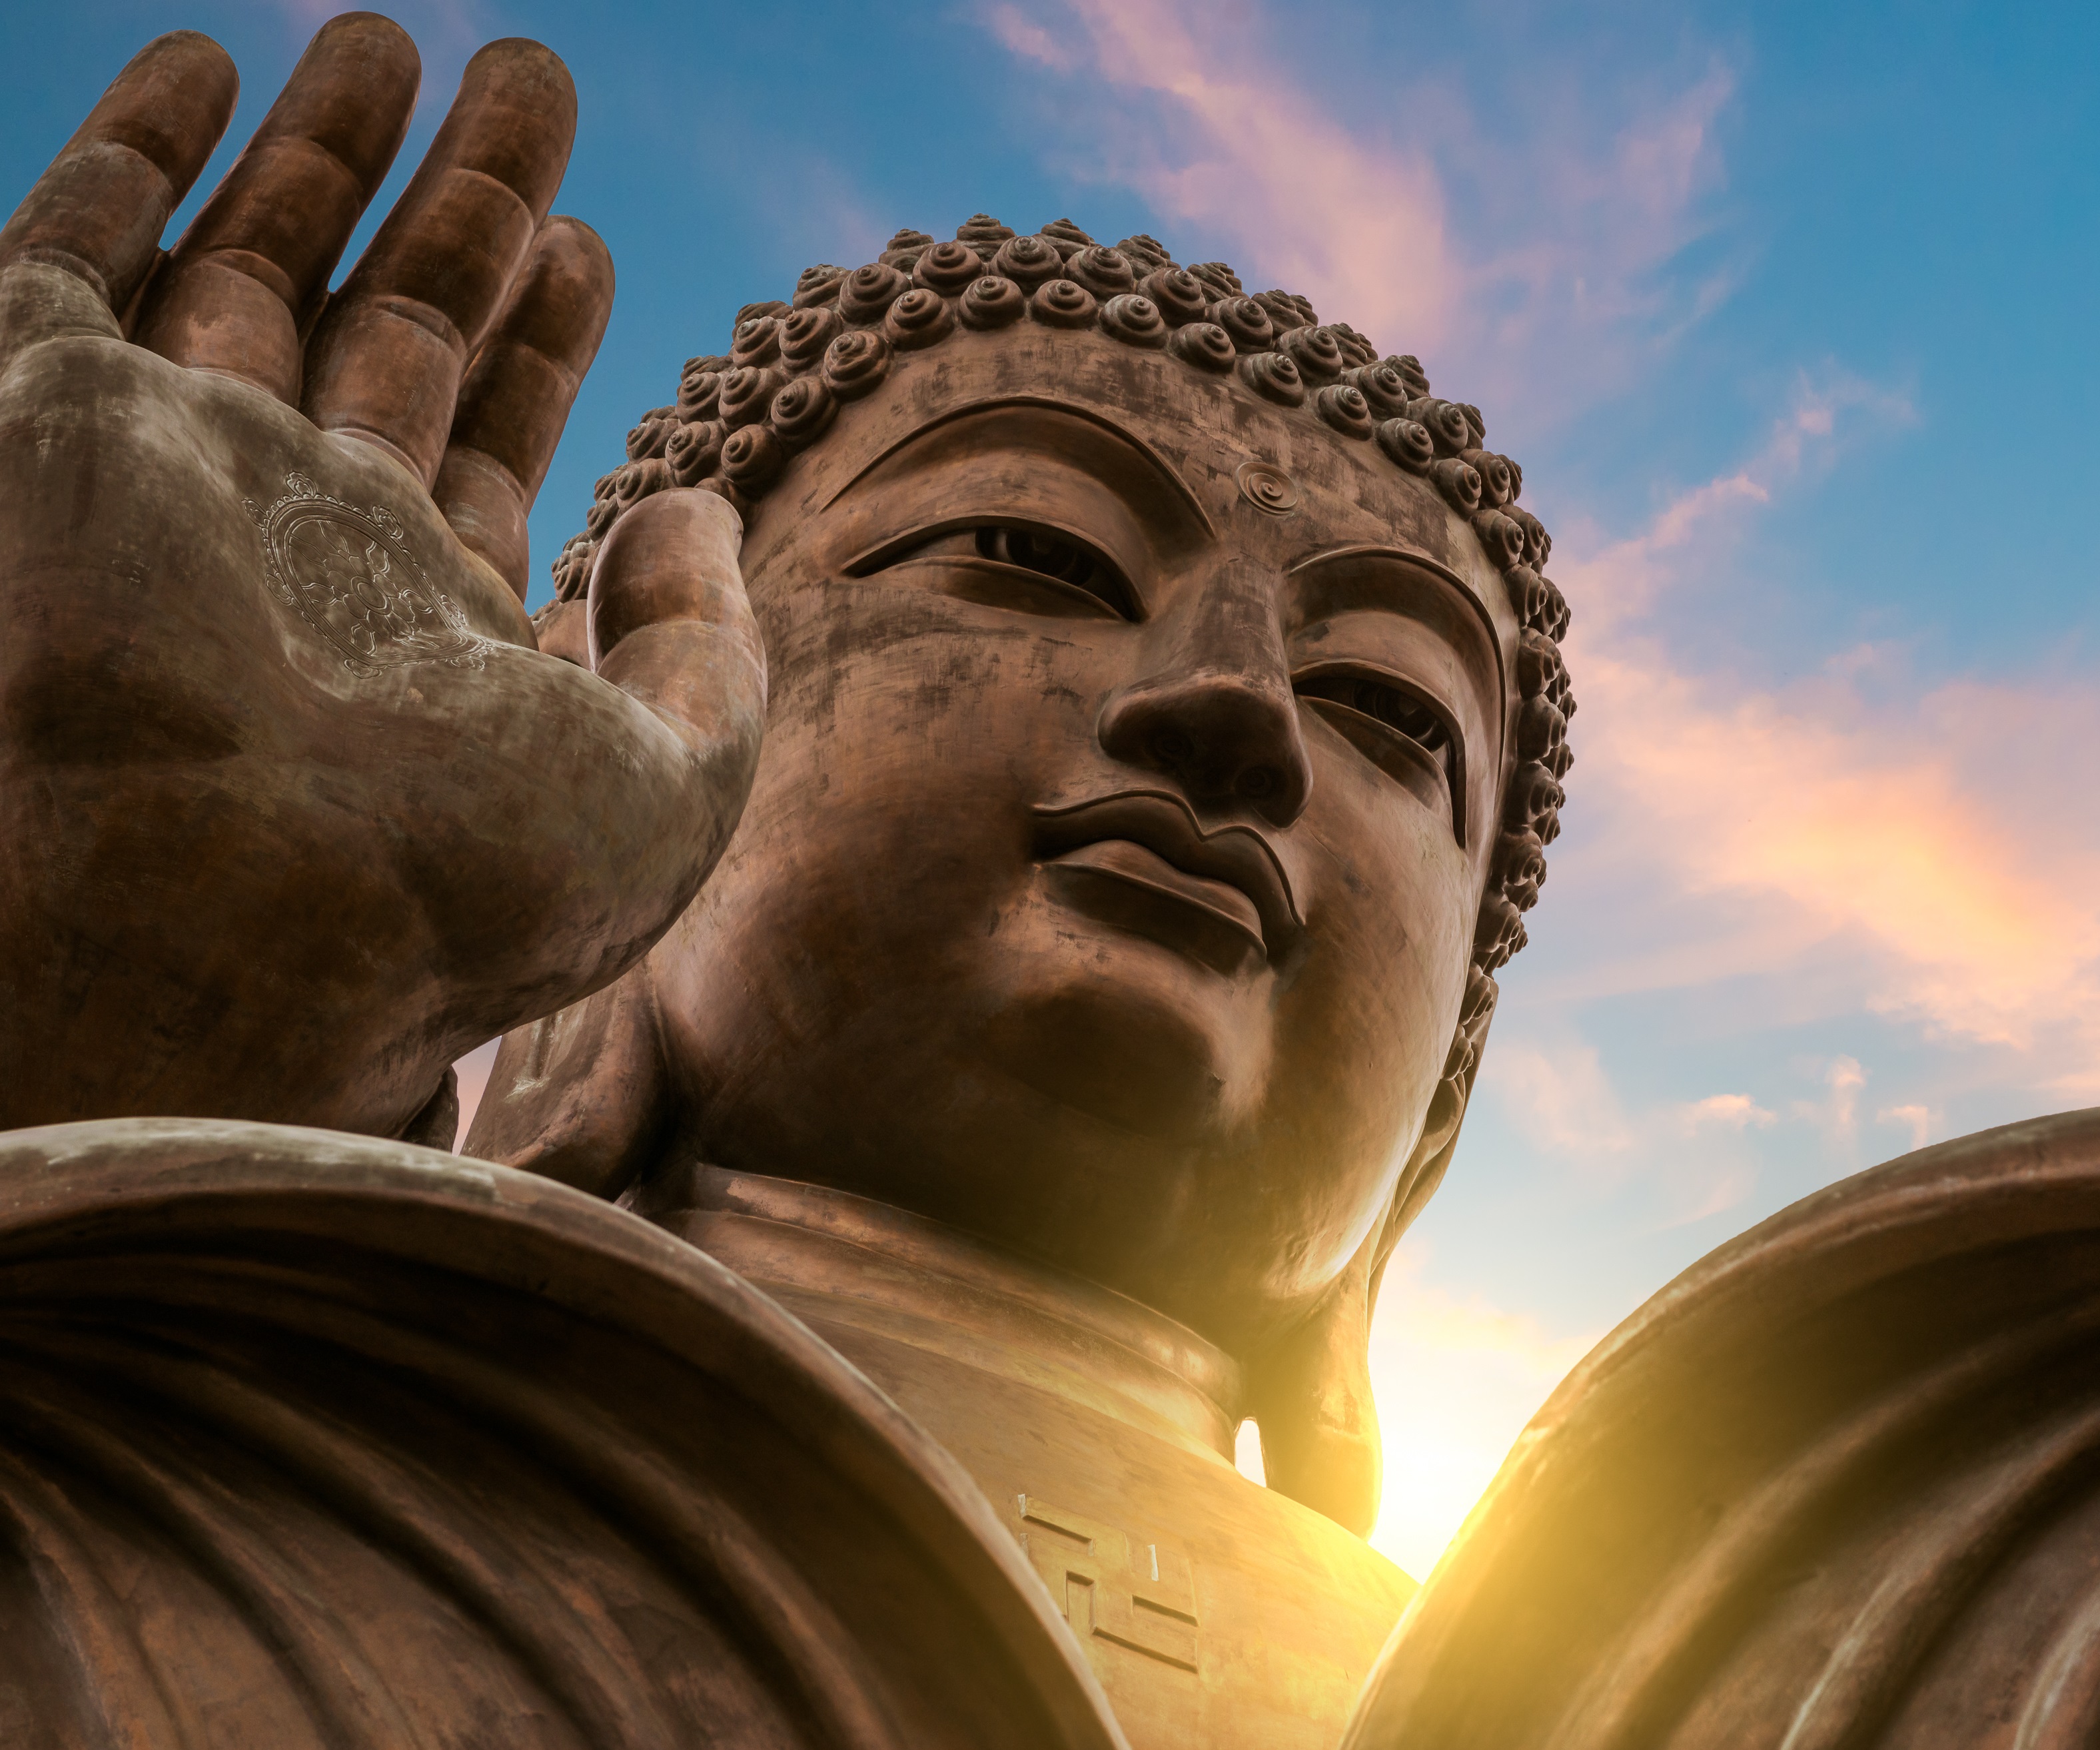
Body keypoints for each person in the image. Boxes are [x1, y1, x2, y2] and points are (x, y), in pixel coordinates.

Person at [0, 17, 1569, 1749]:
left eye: (1394, 711)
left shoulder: (1627, 1680)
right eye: (1036, 551)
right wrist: (100, 1055)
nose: (1237, 708)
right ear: (635, 747)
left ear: (1446, 1110)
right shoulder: (251, 1423)